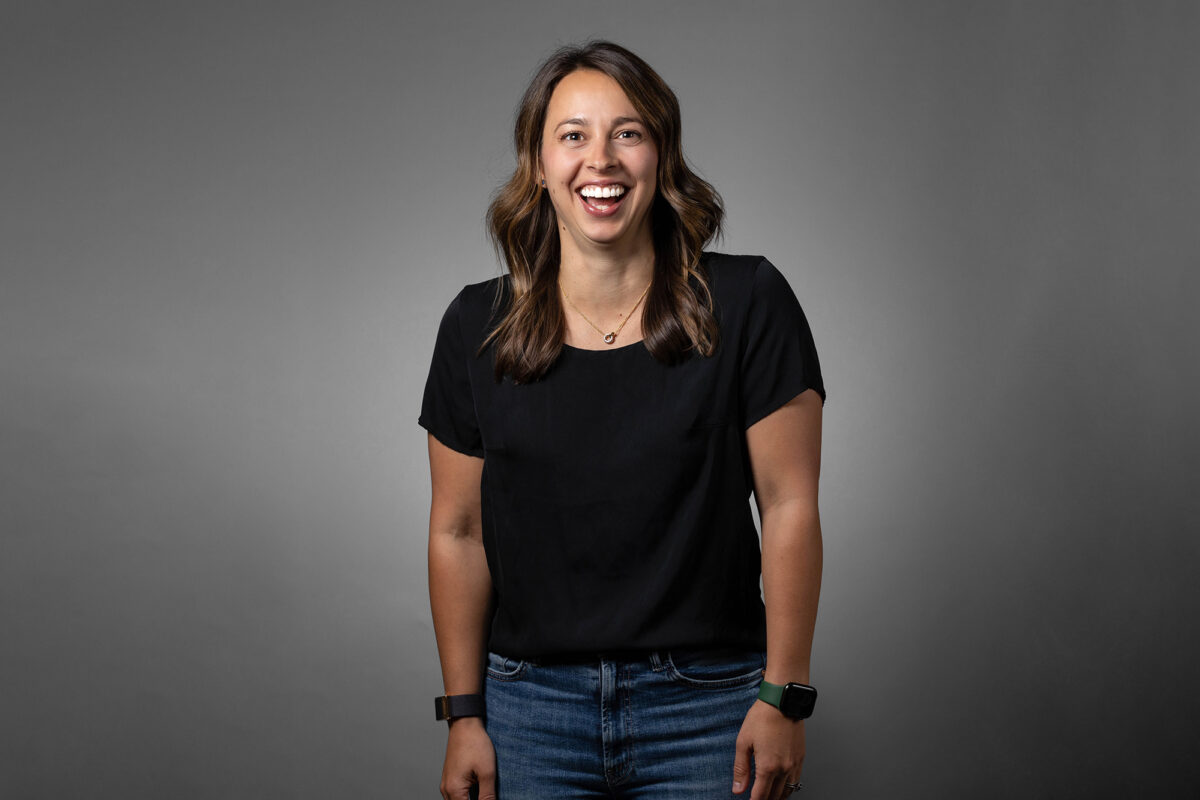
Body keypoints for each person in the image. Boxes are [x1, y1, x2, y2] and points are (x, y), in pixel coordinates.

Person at [419, 40, 826, 800]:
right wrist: (464, 716)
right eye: (572, 135)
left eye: (628, 132)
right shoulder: (478, 324)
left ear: (661, 155)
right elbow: (457, 532)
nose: (599, 160)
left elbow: (789, 505)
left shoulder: (747, 302)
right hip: (528, 713)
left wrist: (784, 696)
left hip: (709, 707)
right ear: (538, 164)